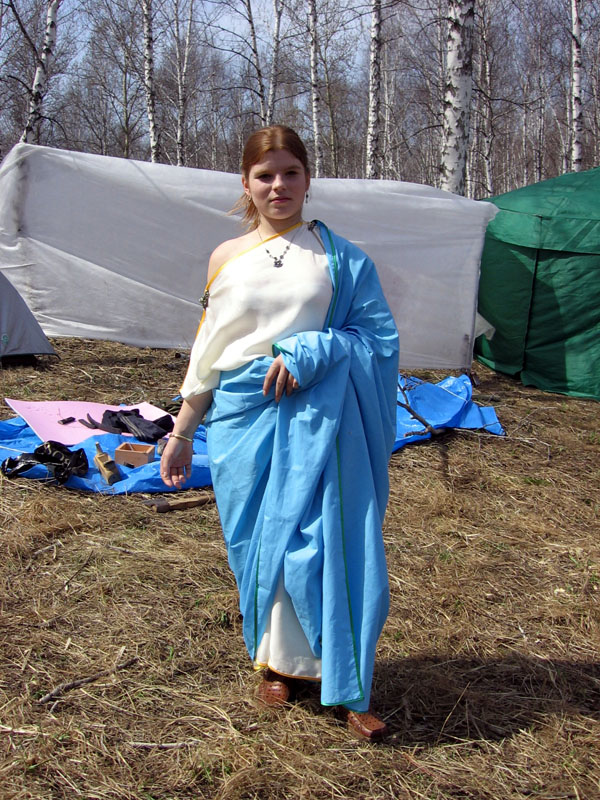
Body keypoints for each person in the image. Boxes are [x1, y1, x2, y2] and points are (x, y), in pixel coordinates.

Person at [160, 125, 399, 740]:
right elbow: (208, 352)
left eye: (291, 172)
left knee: (330, 541)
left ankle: (346, 680)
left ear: (308, 179)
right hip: (242, 419)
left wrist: (314, 350)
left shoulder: (340, 259)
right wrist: (182, 431)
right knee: (258, 543)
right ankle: (275, 663)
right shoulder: (225, 257)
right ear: (245, 184)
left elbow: (377, 340)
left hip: (323, 421)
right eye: (265, 175)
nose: (278, 185)